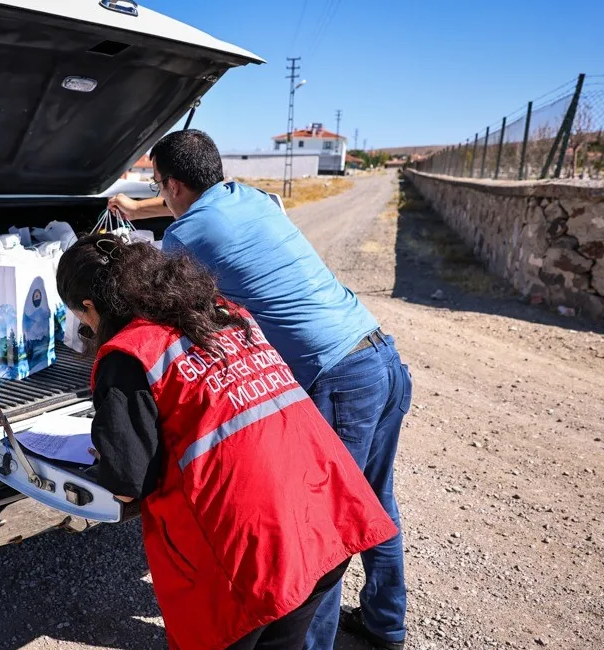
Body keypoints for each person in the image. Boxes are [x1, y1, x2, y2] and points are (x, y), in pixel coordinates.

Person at [108, 130, 412, 650]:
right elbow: (191, 203)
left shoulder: (182, 240)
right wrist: (136, 208)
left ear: (174, 185)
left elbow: (172, 312)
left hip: (335, 376)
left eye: (158, 185)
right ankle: (387, 623)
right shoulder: (250, 196)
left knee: (323, 528)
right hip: (379, 354)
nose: (160, 194)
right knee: (373, 499)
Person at [56, 233, 399, 650]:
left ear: (90, 307)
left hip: (253, 560)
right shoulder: (224, 314)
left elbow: (128, 482)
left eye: (81, 320)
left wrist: (106, 454)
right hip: (325, 520)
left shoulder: (129, 355)